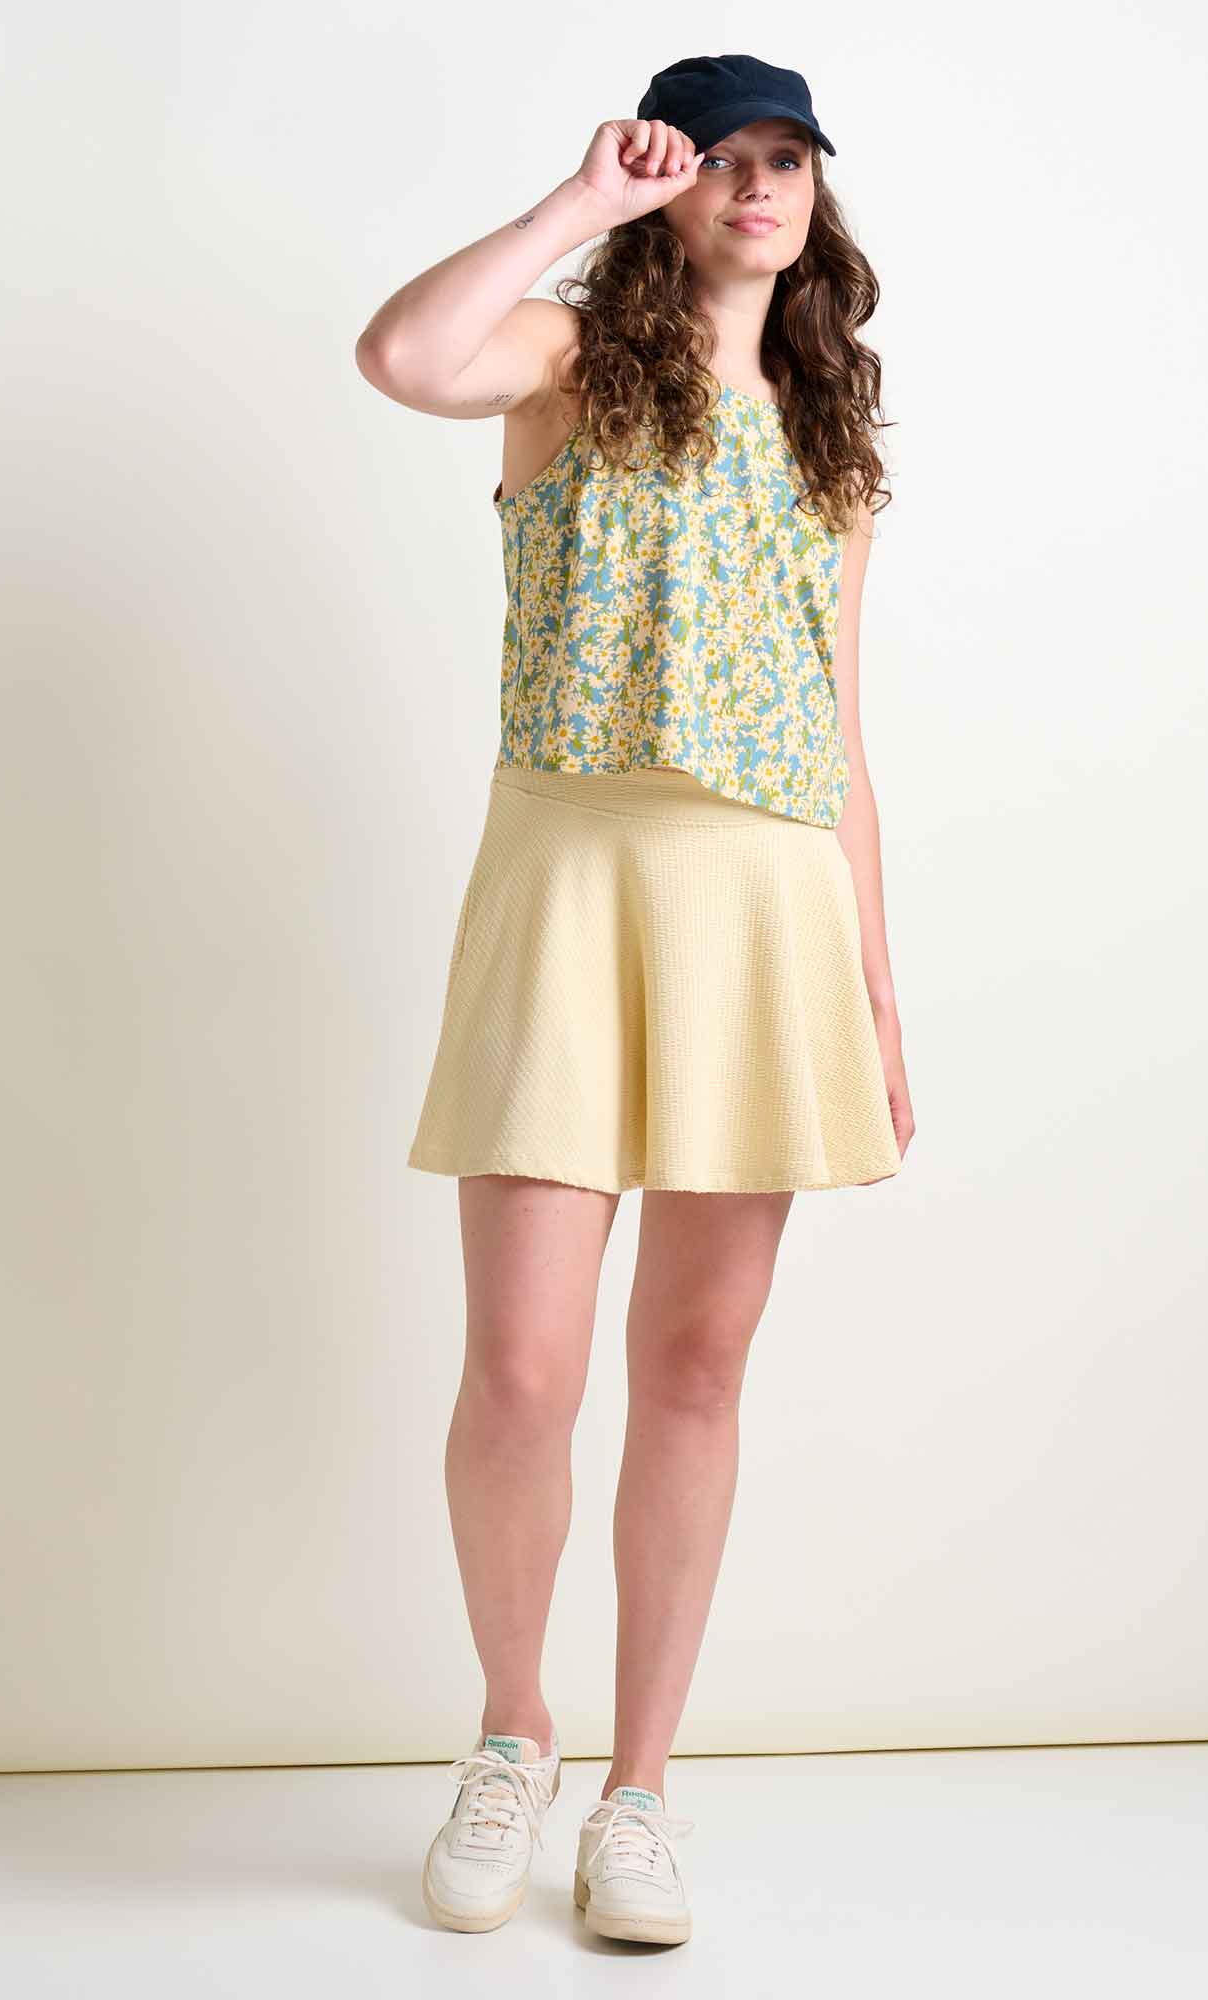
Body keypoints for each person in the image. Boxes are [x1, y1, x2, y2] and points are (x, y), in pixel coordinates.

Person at [355, 51, 915, 1947]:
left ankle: (640, 1792)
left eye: (788, 159)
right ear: (667, 182)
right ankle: (512, 1733)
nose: (759, 185)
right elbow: (403, 356)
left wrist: (878, 987)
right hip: (569, 873)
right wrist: (576, 204)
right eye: (723, 157)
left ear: (815, 196)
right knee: (523, 1367)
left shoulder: (830, 437)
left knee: (694, 1366)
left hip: (765, 903)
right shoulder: (567, 363)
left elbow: (840, 734)